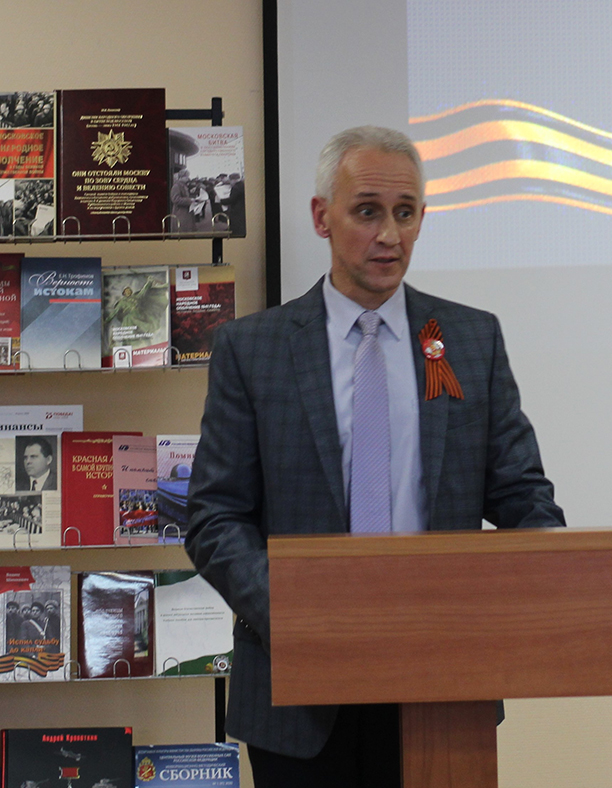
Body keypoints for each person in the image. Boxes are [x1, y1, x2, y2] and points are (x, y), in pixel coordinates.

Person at [185, 125, 565, 788]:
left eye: (405, 213)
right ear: (321, 218)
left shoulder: (470, 339)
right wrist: (299, 617)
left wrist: (549, 576)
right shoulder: (253, 350)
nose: (390, 234)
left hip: (442, 684)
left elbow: (523, 497)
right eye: (367, 211)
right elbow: (215, 517)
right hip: (297, 690)